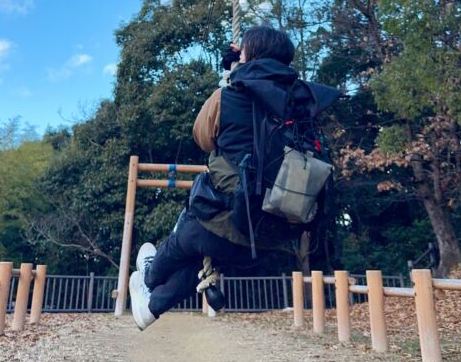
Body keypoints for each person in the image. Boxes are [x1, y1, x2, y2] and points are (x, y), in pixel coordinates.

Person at [128, 26, 332, 330]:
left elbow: (203, 138)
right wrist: (240, 67)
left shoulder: (227, 97)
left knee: (183, 242)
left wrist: (234, 75)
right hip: (272, 234)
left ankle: (147, 277)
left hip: (222, 220)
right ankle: (152, 307)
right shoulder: (304, 104)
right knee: (204, 255)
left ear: (251, 55)